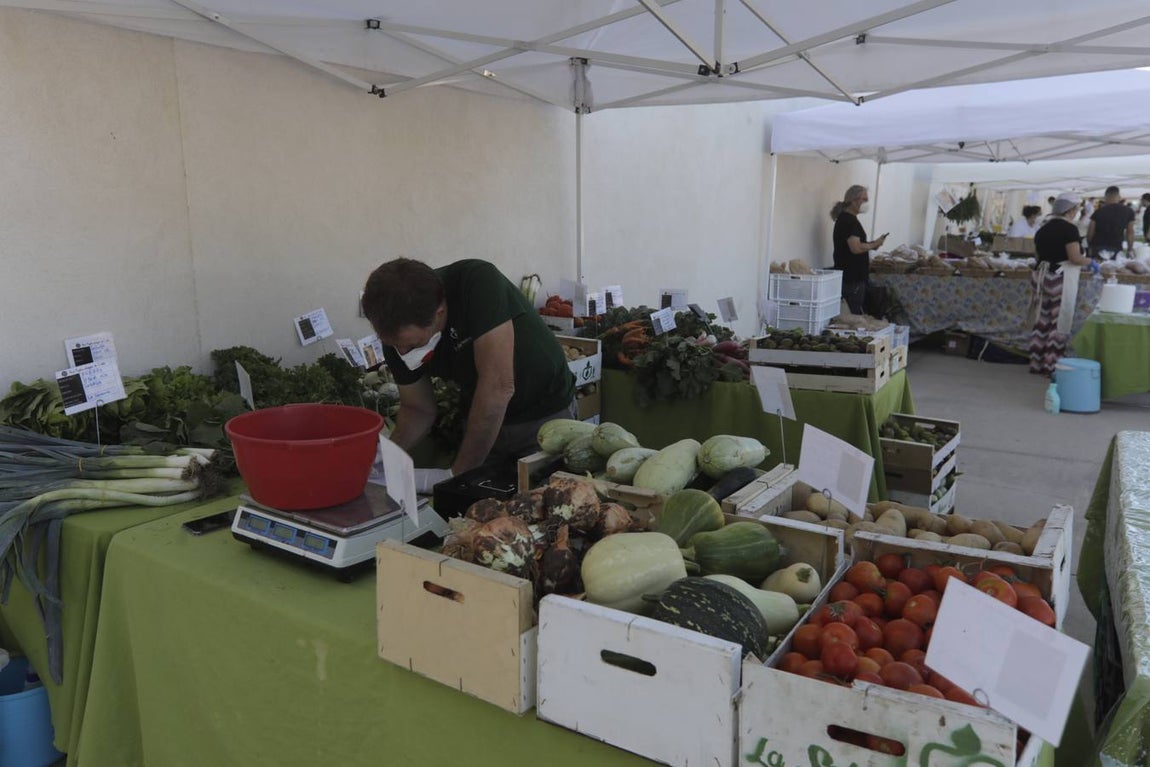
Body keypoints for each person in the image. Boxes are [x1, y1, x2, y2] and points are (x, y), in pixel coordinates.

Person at [362, 257, 576, 491]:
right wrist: (384, 456)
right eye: (393, 345)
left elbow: (498, 387)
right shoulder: (394, 330)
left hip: (543, 416)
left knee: (545, 506)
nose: (402, 352)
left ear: (439, 312)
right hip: (482, 423)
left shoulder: (476, 283)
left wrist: (458, 475)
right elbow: (417, 408)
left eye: (413, 345)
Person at [1030, 193, 1093, 376]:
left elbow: (1037, 255)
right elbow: (1074, 257)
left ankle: (1036, 363)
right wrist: (1089, 261)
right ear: (1071, 210)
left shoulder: (1043, 228)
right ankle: (1052, 365)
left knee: (1041, 321)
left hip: (1041, 276)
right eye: (1076, 209)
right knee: (1058, 322)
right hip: (1060, 278)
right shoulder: (1069, 230)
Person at [830, 185, 887, 314]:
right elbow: (855, 248)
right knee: (854, 315)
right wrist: (874, 244)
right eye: (864, 199)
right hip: (852, 279)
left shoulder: (848, 219)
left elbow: (858, 244)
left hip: (852, 277)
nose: (866, 203)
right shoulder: (849, 221)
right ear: (853, 200)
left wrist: (874, 244)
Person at [1087, 185, 1135, 259]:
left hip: (1097, 247)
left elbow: (1090, 232)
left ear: (1106, 197)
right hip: (1116, 246)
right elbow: (1130, 232)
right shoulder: (1129, 211)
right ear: (1118, 196)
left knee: (1098, 269)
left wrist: (1089, 245)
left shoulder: (1098, 212)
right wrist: (1130, 249)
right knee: (1114, 269)